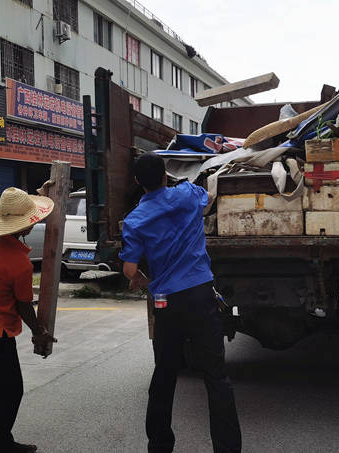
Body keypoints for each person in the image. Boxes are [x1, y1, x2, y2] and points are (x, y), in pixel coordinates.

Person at [119, 152, 242, 453]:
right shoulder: (187, 194)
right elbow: (209, 199)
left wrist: (146, 283)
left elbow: (130, 269)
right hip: (201, 294)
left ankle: (159, 445)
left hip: (166, 302)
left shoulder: (135, 219)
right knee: (216, 377)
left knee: (164, 374)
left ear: (137, 181)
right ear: (165, 175)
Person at [0, 187, 57, 453]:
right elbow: (23, 305)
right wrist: (39, 331)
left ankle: (2, 441)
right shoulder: (18, 262)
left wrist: (43, 191)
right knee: (10, 391)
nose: (34, 223)